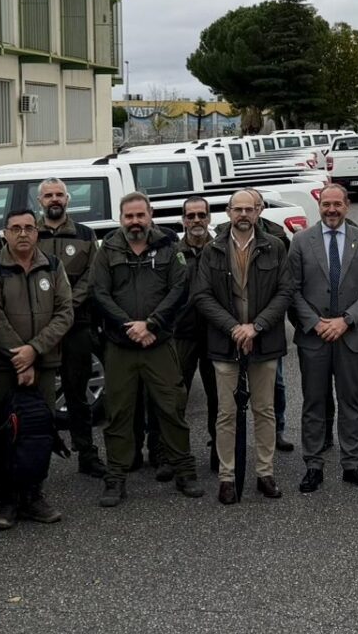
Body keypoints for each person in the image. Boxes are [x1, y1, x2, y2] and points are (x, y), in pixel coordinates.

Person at [87, 193, 202, 507]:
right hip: (121, 346)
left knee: (171, 408)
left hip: (158, 344)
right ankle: (115, 478)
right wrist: (130, 326)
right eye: (129, 216)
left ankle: (184, 471)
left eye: (140, 215)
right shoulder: (108, 249)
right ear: (121, 218)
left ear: (150, 215)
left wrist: (151, 325)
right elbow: (99, 293)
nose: (135, 222)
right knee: (119, 413)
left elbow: (180, 290)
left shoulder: (169, 247)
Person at [0, 206, 75, 528]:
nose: (22, 234)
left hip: (43, 364)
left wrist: (34, 350)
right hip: (6, 367)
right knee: (6, 433)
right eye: (15, 228)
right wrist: (19, 358)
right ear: (5, 232)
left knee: (38, 432)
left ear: (37, 232)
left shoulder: (53, 266)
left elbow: (65, 313)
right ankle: (6, 500)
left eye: (28, 228)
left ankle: (34, 495)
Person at [189, 189, 290, 504]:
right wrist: (234, 328)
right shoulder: (212, 249)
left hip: (265, 341)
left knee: (264, 410)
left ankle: (265, 473)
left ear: (259, 211)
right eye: (237, 209)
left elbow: (285, 291)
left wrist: (256, 326)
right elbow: (202, 295)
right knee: (226, 414)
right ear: (228, 212)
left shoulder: (274, 247)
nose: (243, 215)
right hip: (225, 342)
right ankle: (227, 477)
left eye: (249, 209)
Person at [285, 182, 358, 492]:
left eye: (337, 204)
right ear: (319, 206)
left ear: (347, 205)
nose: (331, 209)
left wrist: (346, 321)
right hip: (313, 338)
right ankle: (313, 465)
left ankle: (352, 464)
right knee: (314, 403)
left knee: (351, 402)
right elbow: (292, 289)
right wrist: (315, 323)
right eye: (326, 204)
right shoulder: (301, 242)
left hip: (350, 336)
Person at [35, 178, 106, 477]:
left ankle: (86, 453)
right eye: (48, 195)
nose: (54, 200)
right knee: (37, 396)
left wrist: (65, 310)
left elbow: (92, 278)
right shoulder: (28, 233)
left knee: (76, 394)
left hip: (76, 326)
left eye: (59, 195)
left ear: (67, 200)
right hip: (38, 330)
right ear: (40, 201)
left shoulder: (85, 235)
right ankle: (36, 457)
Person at [173, 196, 223, 474]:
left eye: (200, 215)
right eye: (190, 216)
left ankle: (219, 453)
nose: (195, 221)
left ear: (209, 218)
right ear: (183, 220)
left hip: (216, 334)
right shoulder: (172, 252)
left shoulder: (220, 249)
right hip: (182, 334)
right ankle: (176, 456)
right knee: (176, 397)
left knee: (218, 398)